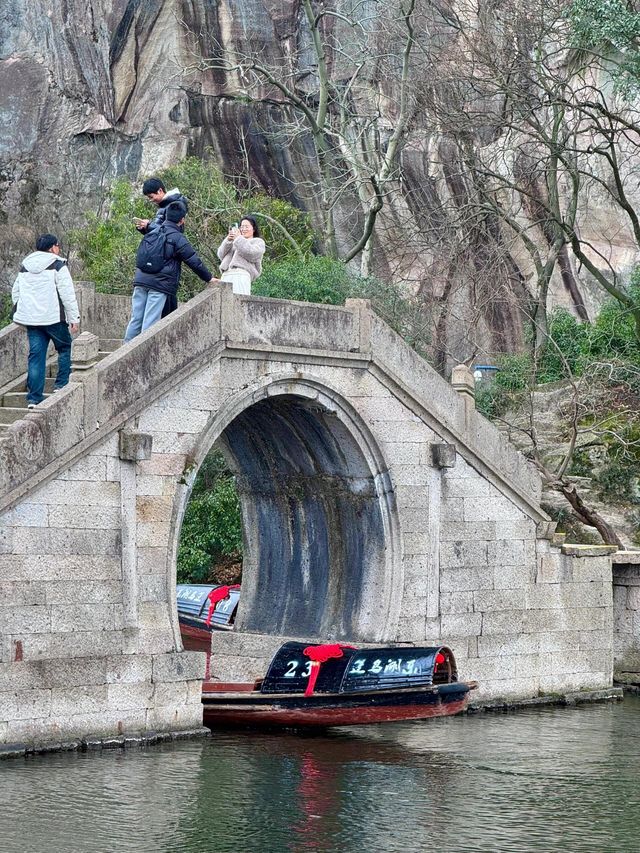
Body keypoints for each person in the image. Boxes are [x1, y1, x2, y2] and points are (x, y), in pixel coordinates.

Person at [124, 201, 218, 342]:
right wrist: (209, 278)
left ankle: (125, 350)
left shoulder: (154, 230)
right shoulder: (178, 238)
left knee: (136, 319)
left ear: (166, 216)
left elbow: (151, 228)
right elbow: (193, 261)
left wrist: (145, 226)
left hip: (141, 280)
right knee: (150, 321)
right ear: (182, 220)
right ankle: (143, 357)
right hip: (160, 284)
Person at [11, 234, 80, 408]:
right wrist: (74, 318)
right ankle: (61, 386)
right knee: (65, 348)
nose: (58, 249)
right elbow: (67, 294)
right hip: (54, 318)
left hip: (32, 320)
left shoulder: (25, 266)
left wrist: (23, 310)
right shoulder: (57, 265)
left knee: (36, 356)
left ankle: (33, 398)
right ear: (51, 248)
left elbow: (16, 292)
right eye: (57, 245)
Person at [216, 216, 266, 294]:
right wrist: (228, 240)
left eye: (247, 227)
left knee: (238, 301)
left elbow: (251, 253)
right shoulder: (234, 241)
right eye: (242, 227)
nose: (244, 229)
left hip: (241, 274)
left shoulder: (258, 242)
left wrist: (238, 239)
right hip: (226, 274)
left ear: (253, 229)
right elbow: (220, 255)